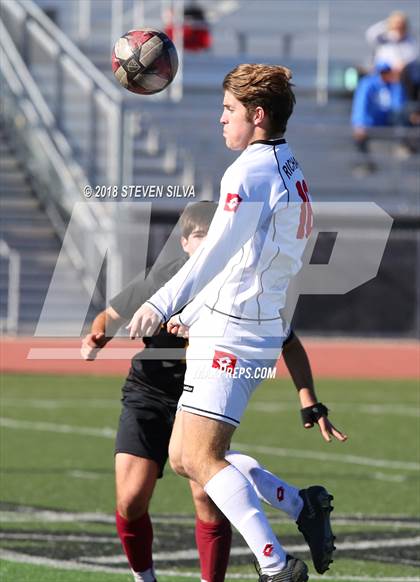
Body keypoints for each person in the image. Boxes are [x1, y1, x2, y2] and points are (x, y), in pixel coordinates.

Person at [127, 64, 346, 581]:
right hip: (251, 323)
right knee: (184, 456)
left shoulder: (249, 171)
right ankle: (300, 506)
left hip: (236, 329)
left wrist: (164, 302)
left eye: (228, 110)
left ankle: (275, 565)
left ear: (258, 115)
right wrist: (194, 312)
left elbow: (217, 254)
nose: (220, 119)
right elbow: (251, 257)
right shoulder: (287, 163)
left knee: (203, 457)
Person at [82, 200, 346, 582]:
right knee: (131, 499)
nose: (211, 246)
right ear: (186, 243)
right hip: (150, 393)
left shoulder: (239, 285)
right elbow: (111, 315)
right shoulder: (163, 278)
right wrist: (98, 337)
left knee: (208, 493)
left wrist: (309, 399)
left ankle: (272, 551)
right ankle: (146, 577)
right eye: (202, 237)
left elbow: (287, 340)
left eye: (218, 237)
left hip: (205, 388)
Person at [351, 60, 406, 175]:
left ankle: (403, 144)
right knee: (359, 137)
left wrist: (396, 84)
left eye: (387, 72)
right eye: (382, 72)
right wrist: (359, 124)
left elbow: (398, 105)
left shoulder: (393, 86)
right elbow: (361, 104)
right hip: (370, 122)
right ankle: (365, 164)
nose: (385, 74)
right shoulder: (368, 84)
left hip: (387, 120)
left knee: (403, 118)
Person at [366, 11, 418, 76]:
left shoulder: (410, 40)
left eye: (401, 26)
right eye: (397, 25)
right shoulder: (384, 38)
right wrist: (388, 24)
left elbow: (413, 57)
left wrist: (402, 65)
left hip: (402, 75)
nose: (399, 28)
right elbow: (371, 34)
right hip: (382, 72)